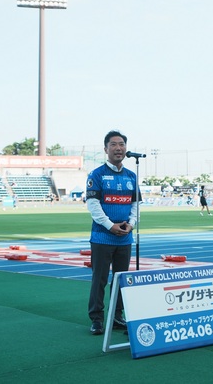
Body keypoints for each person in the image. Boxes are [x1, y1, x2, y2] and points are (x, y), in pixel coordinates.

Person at [85, 130, 140, 335]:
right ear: (106, 149)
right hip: (102, 236)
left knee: (120, 279)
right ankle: (97, 319)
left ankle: (117, 315)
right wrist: (110, 226)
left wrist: (131, 224)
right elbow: (93, 206)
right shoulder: (96, 175)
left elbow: (135, 205)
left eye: (122, 144)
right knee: (99, 278)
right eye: (114, 144)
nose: (119, 148)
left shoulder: (132, 176)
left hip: (125, 238)